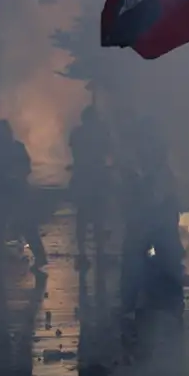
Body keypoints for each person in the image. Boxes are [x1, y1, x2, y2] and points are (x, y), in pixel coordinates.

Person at [0, 120, 47, 270]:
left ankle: (39, 257)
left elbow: (26, 168)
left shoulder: (14, 148)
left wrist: (15, 175)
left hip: (15, 191)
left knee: (23, 224)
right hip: (5, 191)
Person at [68, 106, 110, 266]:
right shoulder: (99, 133)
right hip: (95, 177)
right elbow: (108, 150)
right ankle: (99, 252)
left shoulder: (77, 133)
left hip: (84, 178)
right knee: (97, 217)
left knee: (84, 217)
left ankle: (83, 252)